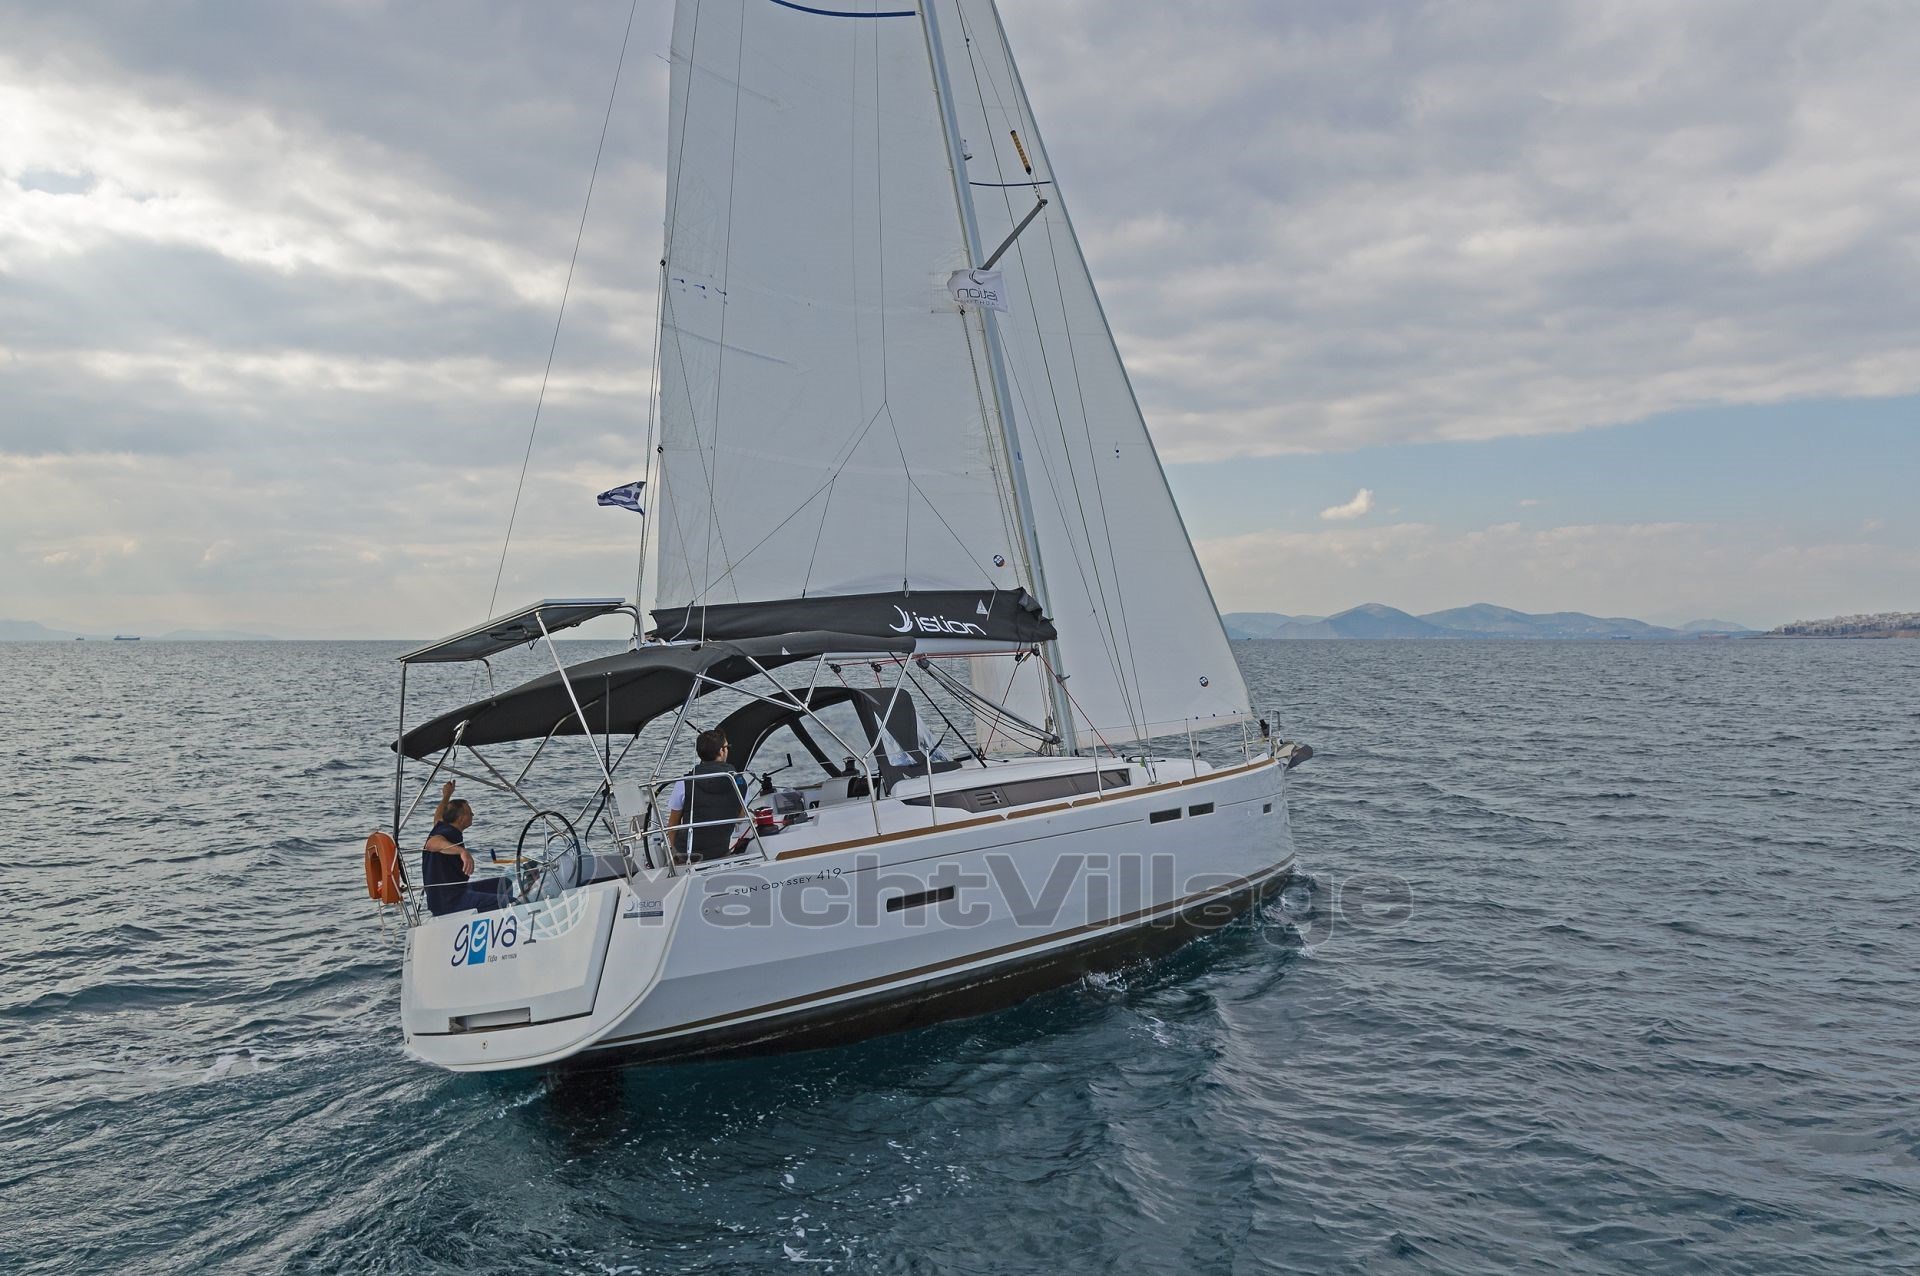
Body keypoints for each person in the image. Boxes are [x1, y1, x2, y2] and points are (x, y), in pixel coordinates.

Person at [422, 781, 512, 916]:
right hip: (450, 901)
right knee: (512, 903)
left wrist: (446, 795)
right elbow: (431, 843)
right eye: (470, 813)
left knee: (505, 884)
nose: (473, 815)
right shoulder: (449, 833)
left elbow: (438, 816)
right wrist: (462, 851)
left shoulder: (442, 826)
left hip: (455, 892)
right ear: (460, 818)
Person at [666, 730, 750, 863]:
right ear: (721, 751)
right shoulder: (739, 781)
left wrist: (674, 852)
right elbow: (740, 818)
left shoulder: (684, 783)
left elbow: (673, 823)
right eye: (727, 747)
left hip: (686, 856)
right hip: (720, 852)